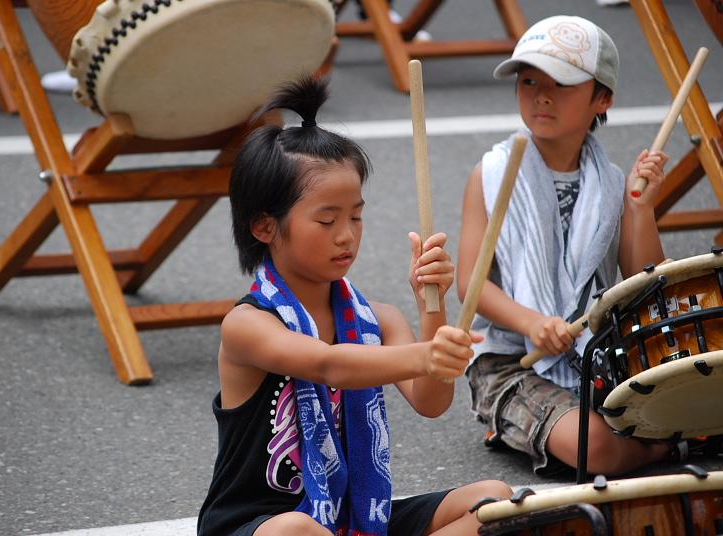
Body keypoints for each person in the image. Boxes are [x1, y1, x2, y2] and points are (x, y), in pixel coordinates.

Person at [197, 75, 511, 535]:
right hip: (257, 526)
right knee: (297, 530)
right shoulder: (247, 325)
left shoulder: (378, 320)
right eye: (327, 219)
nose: (347, 234)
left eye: (356, 216)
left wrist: (432, 305)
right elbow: (327, 365)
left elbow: (431, 399)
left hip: (353, 520)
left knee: (494, 501)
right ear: (264, 227)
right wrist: (427, 353)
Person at [457, 15, 674, 478]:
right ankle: (668, 449)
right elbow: (469, 286)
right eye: (529, 80)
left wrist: (640, 210)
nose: (541, 95)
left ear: (603, 98)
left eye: (562, 84)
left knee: (694, 391)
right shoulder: (492, 174)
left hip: (596, 353)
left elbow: (643, 284)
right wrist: (532, 323)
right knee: (595, 446)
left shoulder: (611, 183)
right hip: (511, 360)